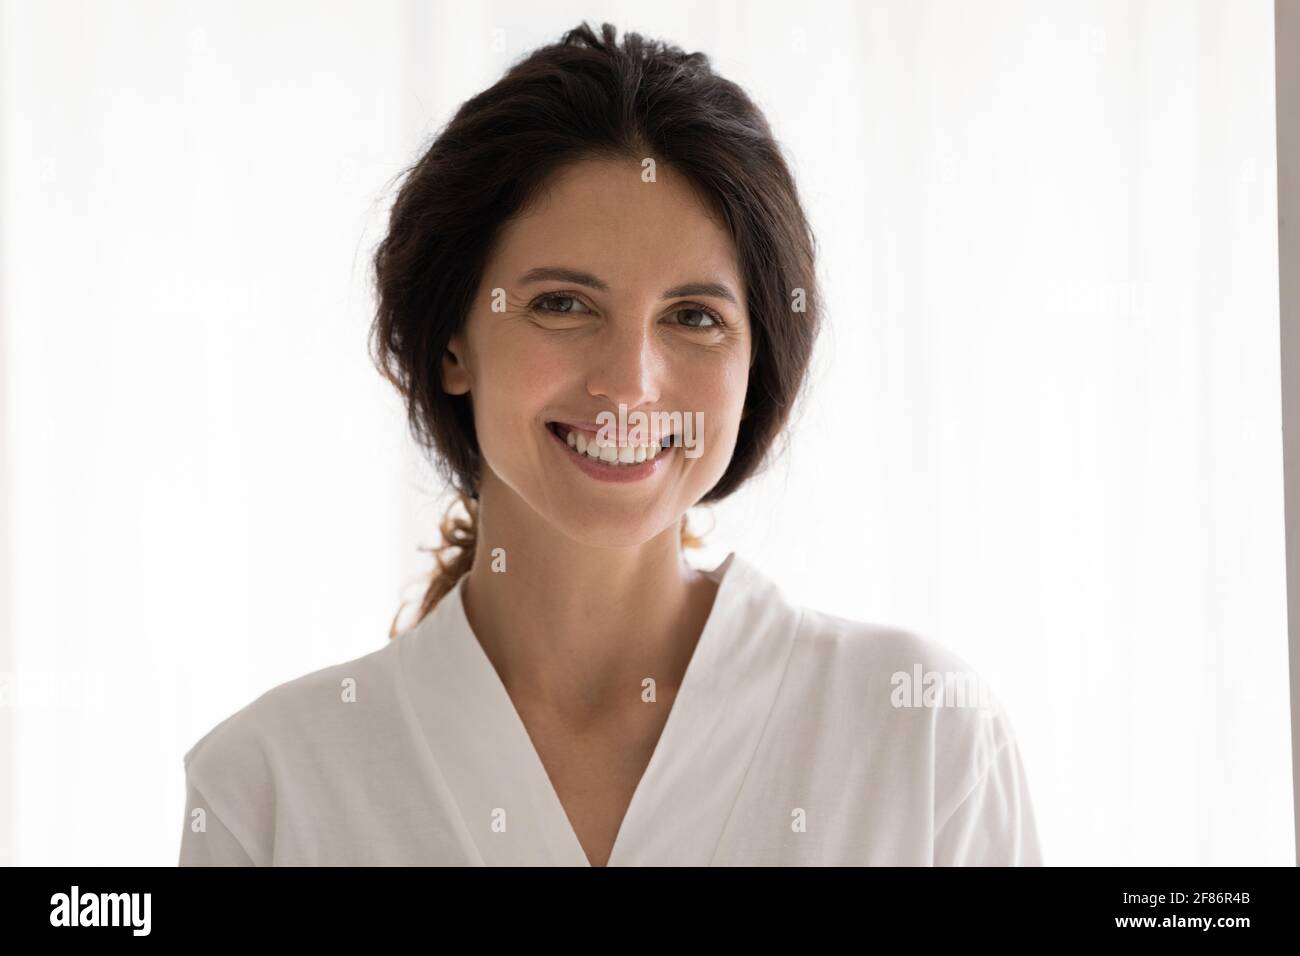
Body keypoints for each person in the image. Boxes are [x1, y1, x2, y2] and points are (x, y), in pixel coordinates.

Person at [179, 21, 1042, 867]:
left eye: (694, 317)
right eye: (562, 303)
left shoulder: (924, 745)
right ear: (452, 341)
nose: (629, 384)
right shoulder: (271, 792)